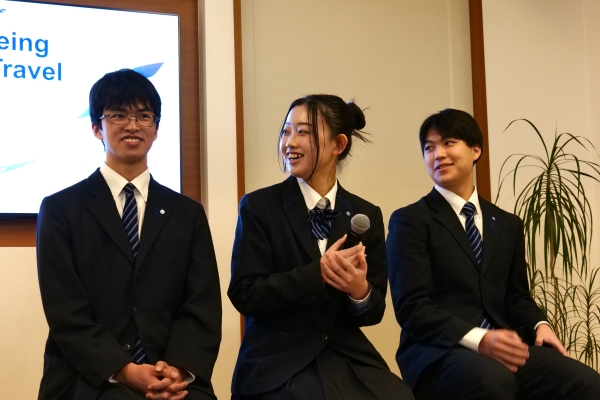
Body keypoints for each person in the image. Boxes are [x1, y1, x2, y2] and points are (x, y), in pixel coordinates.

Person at [386, 108, 600, 399]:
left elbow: (516, 297)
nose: (438, 154)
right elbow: (412, 307)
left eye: (448, 143)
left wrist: (541, 325)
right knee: (492, 380)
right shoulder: (410, 221)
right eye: (429, 147)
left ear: (475, 150)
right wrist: (481, 339)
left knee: (586, 382)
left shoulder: (508, 224)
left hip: (503, 351)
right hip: (438, 352)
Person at [36, 69, 222, 400]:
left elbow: (201, 306)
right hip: (89, 376)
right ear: (97, 127)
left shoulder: (187, 213)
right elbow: (66, 312)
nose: (132, 125)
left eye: (144, 116)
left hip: (170, 373)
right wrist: (125, 370)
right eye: (118, 115)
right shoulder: (61, 209)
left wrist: (176, 371)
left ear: (156, 128)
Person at [228, 94, 414, 400]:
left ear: (338, 145)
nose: (289, 142)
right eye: (286, 131)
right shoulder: (259, 206)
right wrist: (318, 274)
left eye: (303, 132)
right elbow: (245, 293)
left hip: (344, 354)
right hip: (277, 358)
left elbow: (373, 312)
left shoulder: (366, 215)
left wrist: (359, 291)